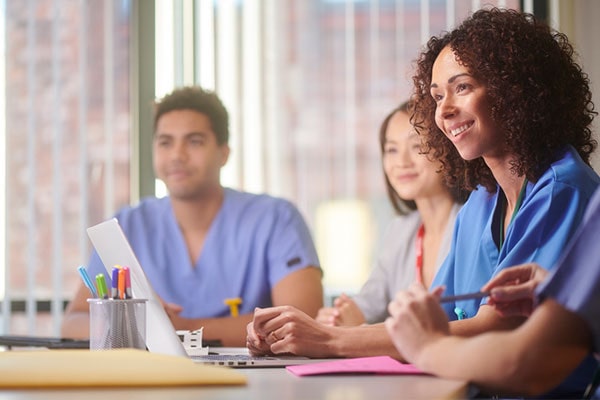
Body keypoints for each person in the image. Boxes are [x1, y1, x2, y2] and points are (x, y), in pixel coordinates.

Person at [246, 9, 599, 395]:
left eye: (462, 87)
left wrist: (329, 342)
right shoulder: (480, 204)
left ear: (514, 88)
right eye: (436, 96)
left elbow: (493, 327)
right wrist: (311, 336)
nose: (443, 111)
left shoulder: (560, 189)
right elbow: (438, 320)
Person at [62, 86, 324, 346]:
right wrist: (138, 324)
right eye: (165, 142)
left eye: (194, 141)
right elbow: (73, 321)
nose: (177, 155)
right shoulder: (129, 225)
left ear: (224, 153)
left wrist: (181, 329)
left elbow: (301, 319)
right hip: (152, 381)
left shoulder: (276, 219)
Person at [385, 186, 600, 399]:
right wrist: (568, 292)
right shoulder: (478, 202)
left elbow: (524, 364)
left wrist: (429, 348)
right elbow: (434, 317)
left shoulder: (563, 191)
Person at [316, 101, 466, 327]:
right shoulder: (401, 230)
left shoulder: (473, 223)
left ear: (447, 150)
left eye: (417, 146)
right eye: (392, 150)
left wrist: (358, 325)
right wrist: (337, 317)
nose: (401, 162)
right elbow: (367, 305)